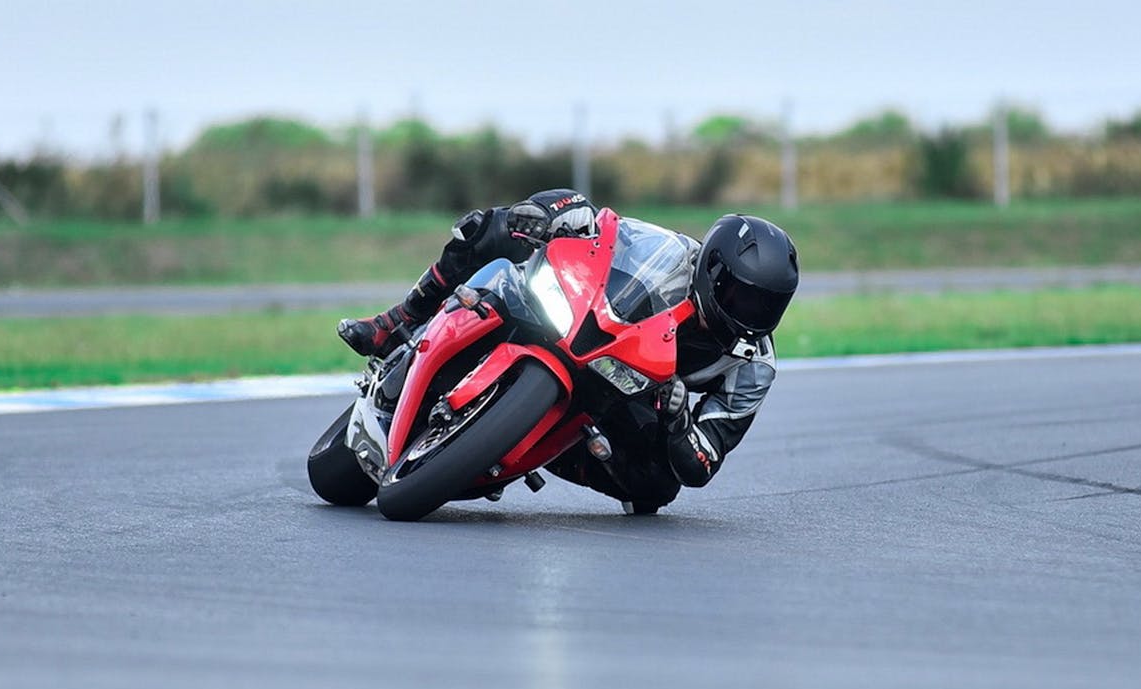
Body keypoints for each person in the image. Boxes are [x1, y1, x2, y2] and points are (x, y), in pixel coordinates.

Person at [336, 189, 799, 514]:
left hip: (631, 387)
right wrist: (552, 210)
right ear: (712, 269)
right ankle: (398, 321)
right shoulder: (670, 254)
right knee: (489, 229)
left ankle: (550, 449)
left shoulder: (754, 364)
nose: (750, 312)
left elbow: (704, 461)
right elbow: (601, 225)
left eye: (766, 305)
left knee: (657, 488)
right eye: (741, 296)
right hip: (578, 323)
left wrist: (678, 420)